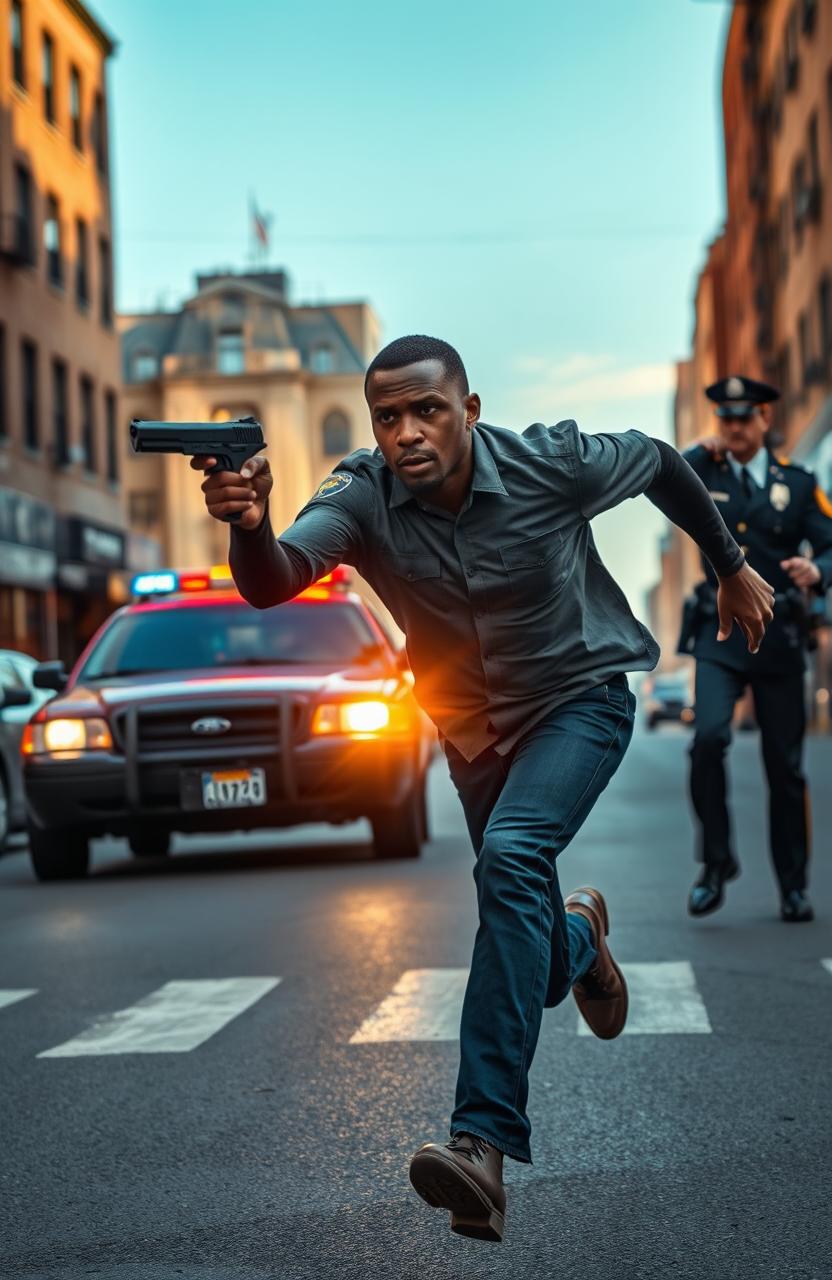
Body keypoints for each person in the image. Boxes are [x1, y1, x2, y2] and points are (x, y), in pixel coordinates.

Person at [192, 336, 773, 1242]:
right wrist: (248, 521)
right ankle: (579, 938)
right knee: (535, 961)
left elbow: (661, 462)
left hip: (580, 701)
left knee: (511, 855)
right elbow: (274, 583)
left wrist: (731, 563)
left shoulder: (550, 461)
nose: (407, 432)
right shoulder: (361, 494)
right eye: (388, 418)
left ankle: (481, 1147)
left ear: (468, 409)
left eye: (427, 410)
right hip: (472, 737)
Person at [680, 375, 832, 924]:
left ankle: (793, 886)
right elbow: (662, 477)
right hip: (720, 634)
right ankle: (716, 864)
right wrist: (701, 449)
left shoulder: (799, 481)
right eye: (726, 419)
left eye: (745, 418)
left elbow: (831, 543)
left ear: (765, 420)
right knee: (708, 739)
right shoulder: (704, 473)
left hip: (780, 637)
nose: (735, 428)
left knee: (784, 767)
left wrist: (819, 568)